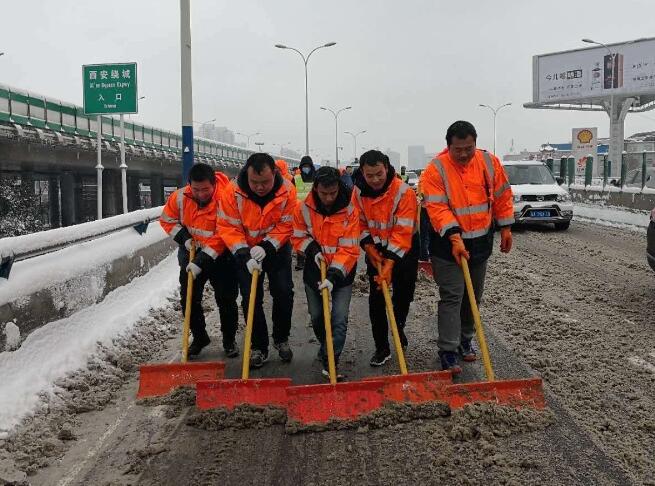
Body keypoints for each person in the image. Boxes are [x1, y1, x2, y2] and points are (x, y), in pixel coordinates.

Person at [420, 120, 514, 374]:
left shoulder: (488, 162)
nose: (463, 154)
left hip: (481, 242)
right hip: (446, 245)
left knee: (474, 294)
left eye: (468, 148)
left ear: (475, 143)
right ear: (448, 146)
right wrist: (454, 236)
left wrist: (505, 227)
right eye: (458, 149)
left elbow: (503, 195)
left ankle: (465, 339)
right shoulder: (435, 170)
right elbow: (437, 209)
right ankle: (448, 350)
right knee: (453, 295)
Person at [217, 153, 297, 368]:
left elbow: (288, 224)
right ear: (247, 174)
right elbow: (227, 227)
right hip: (245, 250)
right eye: (255, 182)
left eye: (265, 182)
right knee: (250, 298)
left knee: (283, 292)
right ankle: (258, 347)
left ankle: (281, 339)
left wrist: (268, 246)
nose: (260, 187)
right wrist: (244, 253)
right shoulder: (232, 192)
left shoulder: (287, 190)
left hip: (277, 249)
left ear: (274, 174)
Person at [159, 163, 239, 357]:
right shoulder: (179, 197)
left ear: (213, 184)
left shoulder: (226, 198)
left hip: (221, 255)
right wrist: (184, 238)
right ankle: (200, 337)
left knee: (226, 299)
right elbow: (167, 220)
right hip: (190, 252)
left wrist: (203, 258)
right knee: (189, 298)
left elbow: (225, 232)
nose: (201, 194)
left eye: (205, 190)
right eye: (196, 189)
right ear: (189, 185)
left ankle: (229, 340)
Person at [352, 150, 419, 367]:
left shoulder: (403, 192)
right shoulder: (358, 192)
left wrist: (390, 262)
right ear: (362, 172)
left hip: (404, 250)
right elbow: (358, 222)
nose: (374, 180)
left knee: (403, 296)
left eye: (379, 174)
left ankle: (398, 326)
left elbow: (403, 231)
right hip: (376, 250)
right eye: (369, 175)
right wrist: (368, 247)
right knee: (377, 299)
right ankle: (381, 347)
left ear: (387, 168)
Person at [292, 167, 359, 378]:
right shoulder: (303, 209)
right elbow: (297, 237)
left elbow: (349, 249)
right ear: (316, 189)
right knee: (317, 315)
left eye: (333, 193)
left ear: (339, 187)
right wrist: (311, 250)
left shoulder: (350, 210)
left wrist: (333, 276)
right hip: (314, 271)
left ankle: (332, 359)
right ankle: (326, 346)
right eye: (324, 193)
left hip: (342, 273)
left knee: (339, 319)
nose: (329, 198)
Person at [293, 156, 316, 270]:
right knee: (300, 236)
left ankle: (313, 257)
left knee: (313, 236)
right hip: (299, 211)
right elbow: (292, 193)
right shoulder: (296, 178)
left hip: (313, 211)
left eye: (308, 166)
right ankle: (300, 261)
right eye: (304, 167)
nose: (306, 169)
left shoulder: (316, 178)